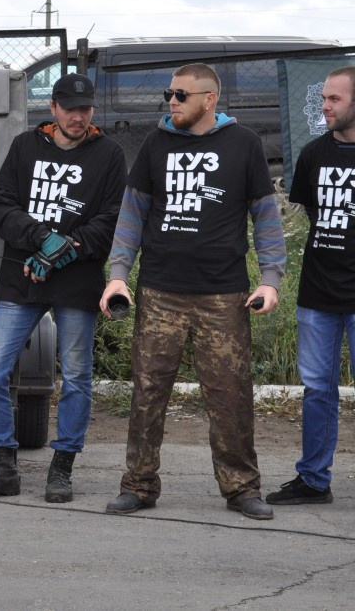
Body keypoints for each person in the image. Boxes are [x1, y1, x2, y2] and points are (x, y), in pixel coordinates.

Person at [101, 63, 284, 521]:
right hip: (161, 290)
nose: (171, 101)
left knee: (230, 396)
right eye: (169, 93)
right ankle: (139, 485)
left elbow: (265, 216)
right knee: (147, 391)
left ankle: (242, 488)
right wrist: (118, 273)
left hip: (224, 295)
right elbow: (131, 214)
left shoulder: (244, 145)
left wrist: (270, 279)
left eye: (181, 94)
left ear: (209, 99)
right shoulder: (155, 143)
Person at [0, 74, 126, 503]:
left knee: (76, 376)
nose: (79, 116)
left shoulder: (109, 154)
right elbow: (4, 206)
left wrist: (65, 251)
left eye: (86, 108)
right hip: (22, 278)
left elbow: (111, 218)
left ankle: (62, 469)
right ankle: (4, 466)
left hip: (78, 283)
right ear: (52, 108)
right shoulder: (24, 146)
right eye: (70, 108)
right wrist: (42, 239)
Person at [267, 66, 355, 506]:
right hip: (318, 293)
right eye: (324, 97)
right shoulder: (313, 154)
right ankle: (314, 480)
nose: (325, 106)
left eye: (335, 99)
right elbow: (311, 217)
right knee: (318, 390)